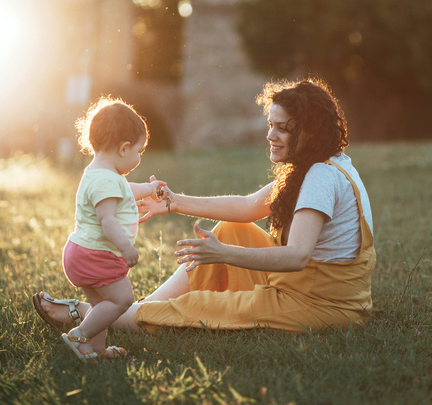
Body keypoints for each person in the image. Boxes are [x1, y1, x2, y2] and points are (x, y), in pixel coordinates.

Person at [33, 78, 376, 337]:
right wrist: (173, 202)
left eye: (283, 128)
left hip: (320, 304)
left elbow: (296, 256)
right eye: (270, 124)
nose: (271, 135)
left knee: (200, 307)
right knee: (232, 229)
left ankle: (87, 314)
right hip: (305, 285)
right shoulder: (317, 165)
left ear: (310, 132)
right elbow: (247, 206)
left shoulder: (320, 176)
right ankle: (134, 312)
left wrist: (222, 253)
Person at [33, 96, 165, 360]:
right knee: (121, 301)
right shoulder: (106, 180)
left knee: (101, 304)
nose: (139, 157)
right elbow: (108, 221)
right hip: (96, 254)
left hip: (82, 252)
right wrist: (126, 247)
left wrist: (150, 189)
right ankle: (78, 335)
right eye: (139, 151)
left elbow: (127, 191)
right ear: (124, 148)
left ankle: (93, 350)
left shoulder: (101, 173)